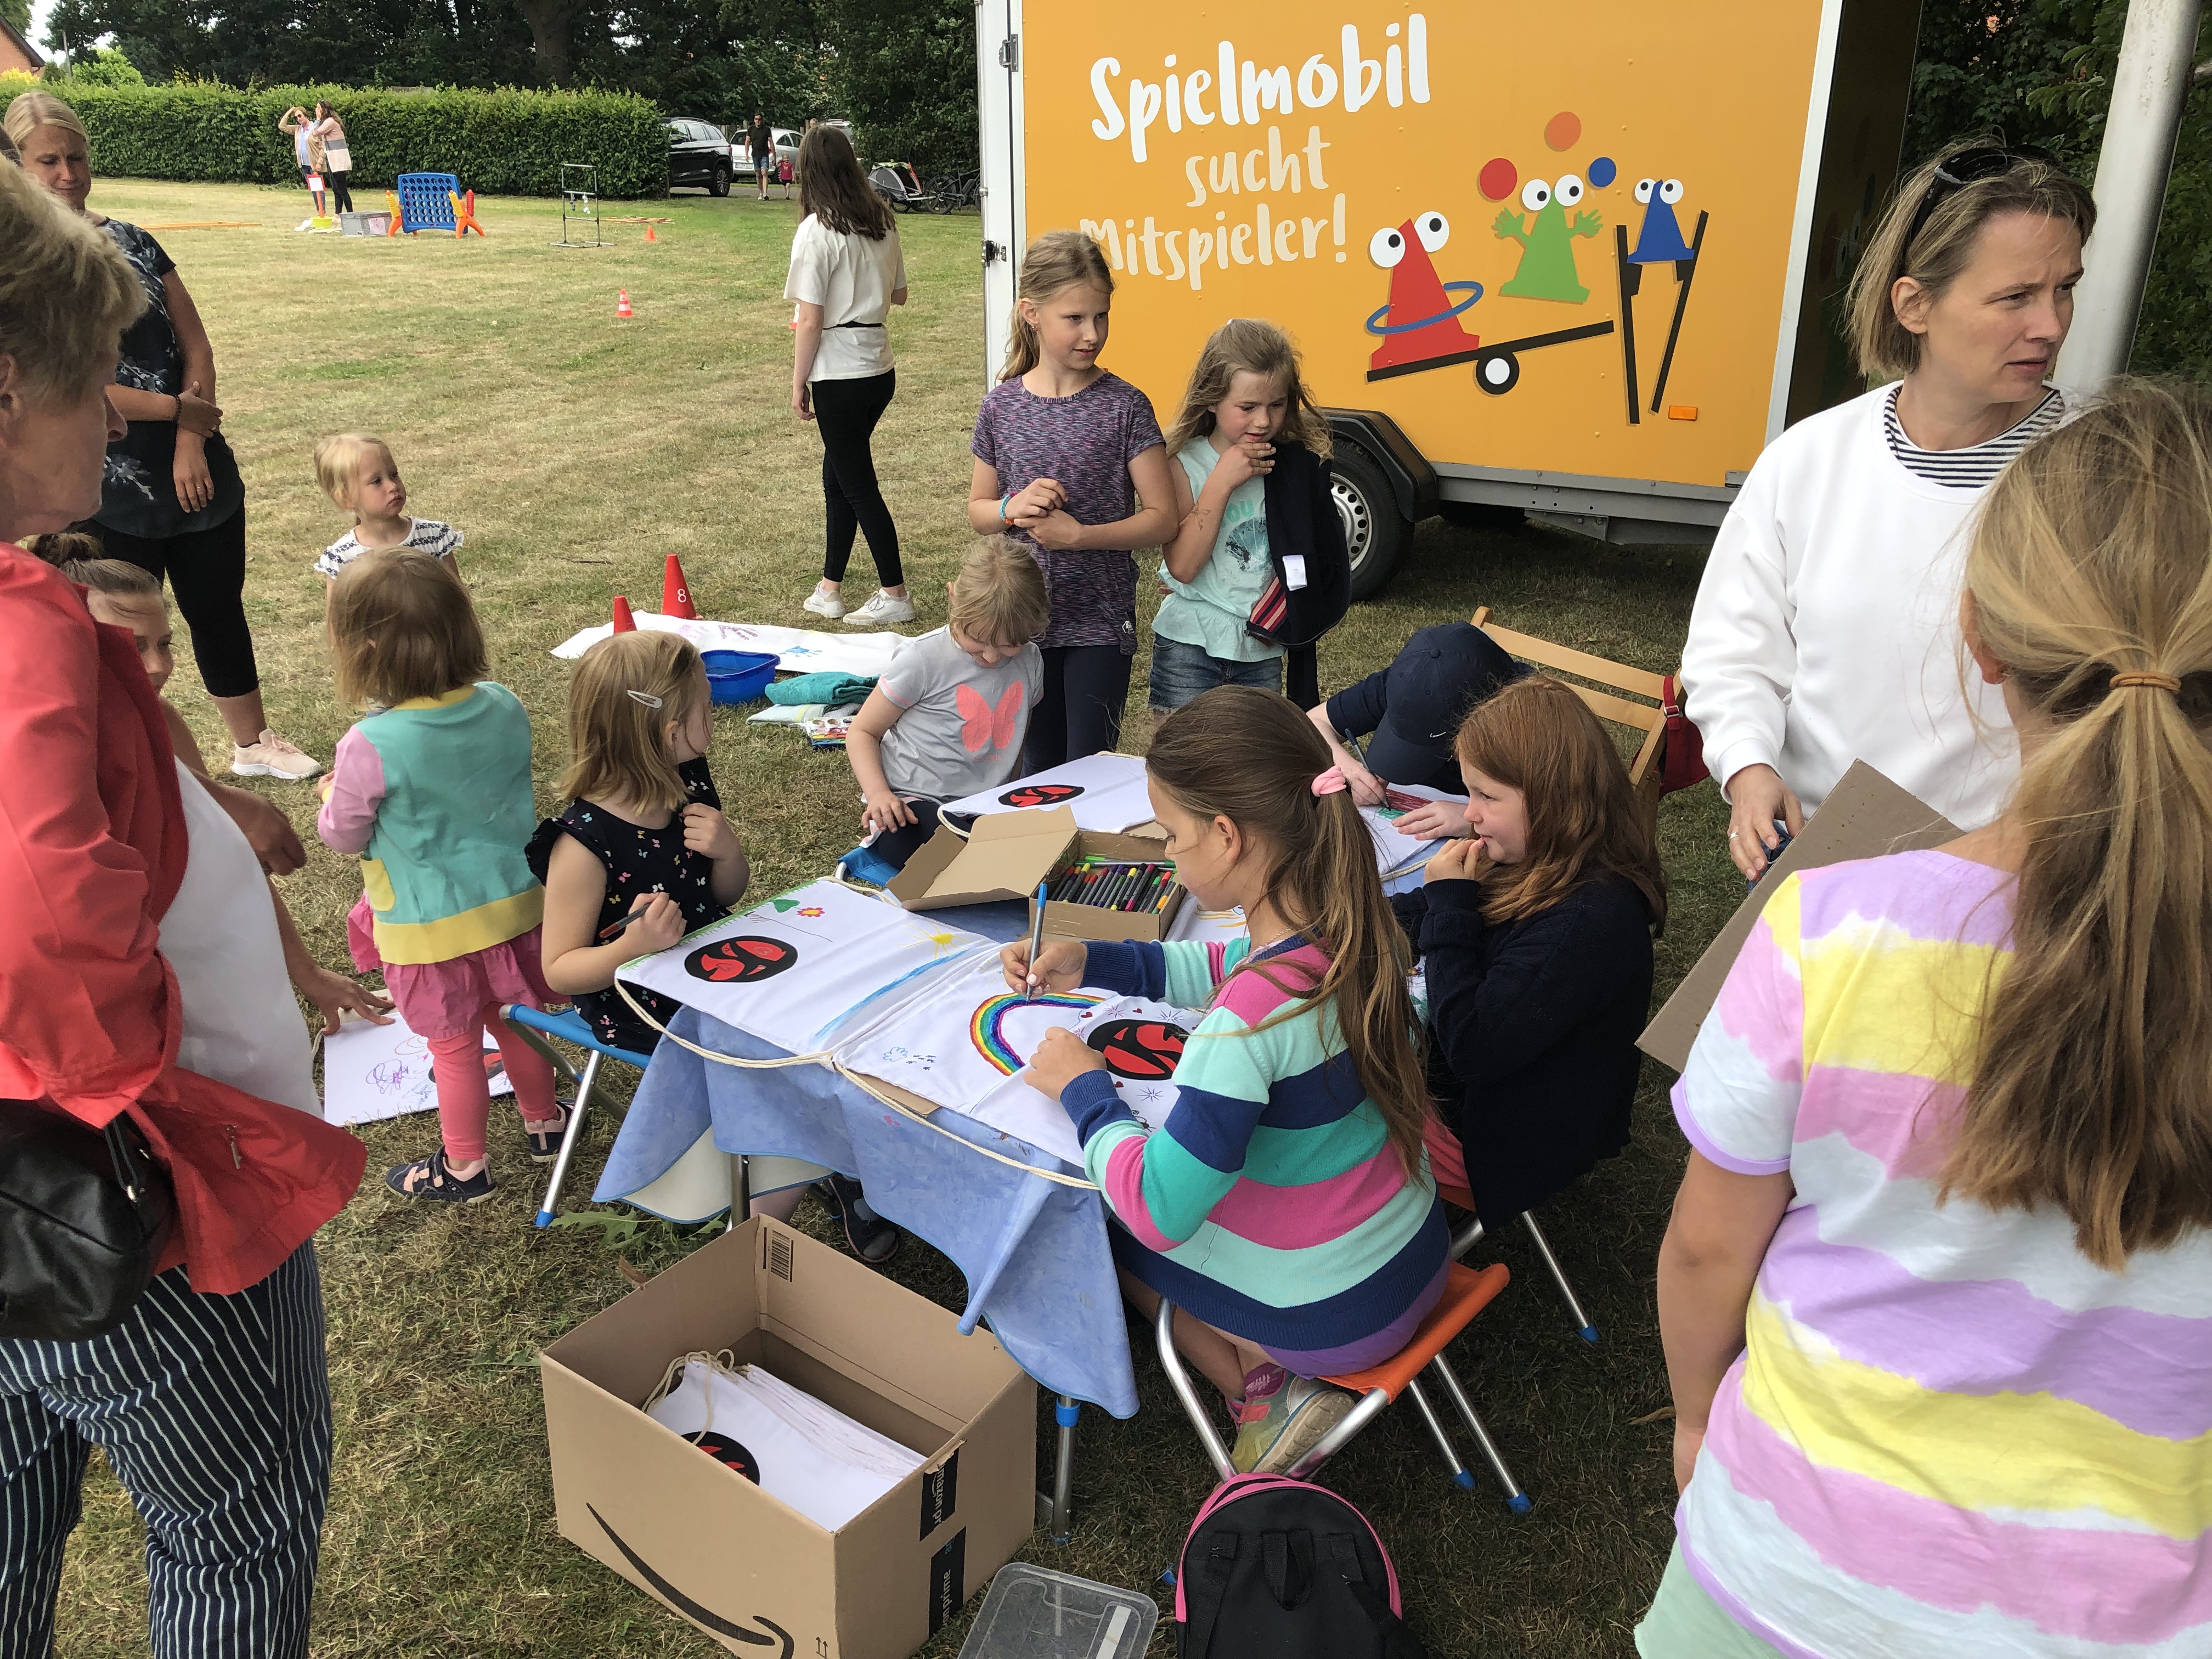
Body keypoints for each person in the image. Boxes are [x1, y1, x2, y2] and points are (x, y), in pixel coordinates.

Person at [1644, 379, 2212, 1659]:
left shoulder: (1827, 934)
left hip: (1783, 1582)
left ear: (1981, 637)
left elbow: (1705, 1252)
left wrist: (1697, 1418)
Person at [0, 154, 364, 1658]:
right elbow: (41, 919)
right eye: (96, 379)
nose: (118, 414)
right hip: (126, 1198)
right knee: (236, 1533)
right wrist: (142, 1089)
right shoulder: (20, 622)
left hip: (41, 1195)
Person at [1007, 687, 1448, 1474]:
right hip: (1414, 1260)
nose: (1168, 855)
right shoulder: (1354, 927)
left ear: (1226, 835)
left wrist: (1086, 1089)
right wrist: (1094, 959)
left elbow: (1159, 1210)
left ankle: (1260, 1390)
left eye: (1171, 837)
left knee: (1102, 1217)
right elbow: (1226, 964)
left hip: (1336, 1316)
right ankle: (1268, 1373)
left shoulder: (1246, 1023)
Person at [1681, 141, 2095, 879]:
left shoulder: (2103, 472)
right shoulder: (1810, 460)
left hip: (2012, 880)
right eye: (2016, 297)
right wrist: (1748, 768)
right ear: (1914, 304)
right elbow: (1731, 653)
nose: (2052, 325)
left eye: (2065, 289)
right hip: (1817, 862)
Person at [7, 91, 321, 782]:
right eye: (48, 161)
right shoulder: (24, 269)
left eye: (77, 157)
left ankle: (252, 743)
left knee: (216, 604)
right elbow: (70, 383)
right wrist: (177, 411)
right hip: (102, 477)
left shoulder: (136, 241)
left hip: (191, 455)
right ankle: (124, 759)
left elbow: (195, 344)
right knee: (117, 628)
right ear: (19, 167)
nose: (67, 174)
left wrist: (189, 440)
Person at [31, 537, 394, 1035]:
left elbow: (231, 850)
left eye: (164, 644)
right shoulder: (44, 752)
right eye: (133, 646)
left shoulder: (161, 721)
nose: (159, 666)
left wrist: (308, 974)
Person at [315, 549, 568, 1205]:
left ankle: (464, 1167)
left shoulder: (370, 744)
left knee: (453, 1050)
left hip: (426, 933)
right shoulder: (504, 705)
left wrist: (331, 794)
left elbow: (343, 835)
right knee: (520, 1023)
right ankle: (545, 1124)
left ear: (365, 650)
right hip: (518, 910)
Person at [1394, 676, 1664, 1226]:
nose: (1469, 813)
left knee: (1323, 1077)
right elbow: (1419, 913)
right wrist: (1351, 923)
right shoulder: (1535, 854)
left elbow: (1472, 1045)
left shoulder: (1588, 924)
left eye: (1486, 797)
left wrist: (1450, 907)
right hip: (1482, 1090)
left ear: (1552, 799)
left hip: (1496, 1137)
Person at [968, 231, 1177, 770]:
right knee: (1036, 769)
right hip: (1021, 628)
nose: (1093, 333)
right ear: (1031, 314)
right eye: (1075, 318)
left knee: (1090, 770)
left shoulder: (1125, 406)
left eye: (1101, 317)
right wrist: (1012, 507)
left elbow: (1162, 519)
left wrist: (1081, 536)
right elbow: (979, 511)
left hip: (1099, 625)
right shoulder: (1001, 408)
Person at [845, 534, 1049, 869]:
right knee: (921, 846)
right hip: (915, 799)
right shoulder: (923, 659)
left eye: (1009, 645)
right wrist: (880, 795)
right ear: (953, 597)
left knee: (1038, 843)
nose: (991, 656)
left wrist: (1006, 797)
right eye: (977, 640)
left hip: (984, 805)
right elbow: (862, 732)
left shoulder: (1031, 660)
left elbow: (1016, 736)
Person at [1151, 319, 1321, 712]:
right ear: (1212, 398)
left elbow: (1312, 558)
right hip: (1189, 644)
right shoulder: (1183, 463)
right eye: (1247, 408)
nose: (1263, 421)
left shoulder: (1292, 469)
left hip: (1262, 649)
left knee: (1251, 752)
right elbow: (1183, 567)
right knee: (1184, 751)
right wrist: (1221, 482)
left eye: (1276, 405)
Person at [786, 124, 911, 627]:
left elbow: (809, 319)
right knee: (838, 476)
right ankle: (829, 588)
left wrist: (798, 382)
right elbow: (900, 295)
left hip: (839, 374)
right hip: (878, 368)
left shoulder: (816, 231)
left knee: (857, 485)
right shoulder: (881, 222)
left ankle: (895, 593)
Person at [1308, 620, 1526, 840]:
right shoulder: (1411, 681)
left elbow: (1547, 817)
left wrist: (1470, 819)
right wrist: (1349, 769)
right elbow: (1313, 722)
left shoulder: (1531, 720)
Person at [312, 431, 463, 582]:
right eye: (377, 481)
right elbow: (338, 600)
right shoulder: (342, 559)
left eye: (394, 475)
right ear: (347, 498)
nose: (393, 486)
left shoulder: (434, 537)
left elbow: (457, 593)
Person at [308, 100, 352, 217]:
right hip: (333, 158)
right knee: (336, 188)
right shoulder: (329, 122)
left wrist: (318, 119)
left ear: (324, 109)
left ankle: (350, 215)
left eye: (318, 108)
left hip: (338, 159)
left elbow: (316, 133)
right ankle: (338, 214)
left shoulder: (330, 122)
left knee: (342, 189)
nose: (316, 110)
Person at [749, 110, 774, 201]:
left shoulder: (766, 129)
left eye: (759, 119)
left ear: (762, 120)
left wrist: (774, 155)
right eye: (756, 119)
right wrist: (747, 154)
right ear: (754, 120)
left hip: (764, 154)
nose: (758, 121)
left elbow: (771, 142)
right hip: (755, 155)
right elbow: (747, 142)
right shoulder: (751, 129)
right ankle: (760, 193)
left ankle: (765, 193)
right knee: (758, 174)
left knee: (764, 173)